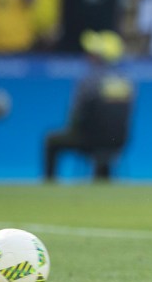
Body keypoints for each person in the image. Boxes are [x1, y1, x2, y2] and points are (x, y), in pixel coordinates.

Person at [44, 30, 135, 181]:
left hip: (88, 140)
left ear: (101, 57)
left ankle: (49, 184)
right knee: (105, 140)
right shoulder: (128, 82)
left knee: (51, 140)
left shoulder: (88, 81)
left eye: (93, 53)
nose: (89, 56)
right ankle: (103, 179)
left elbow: (76, 114)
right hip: (119, 142)